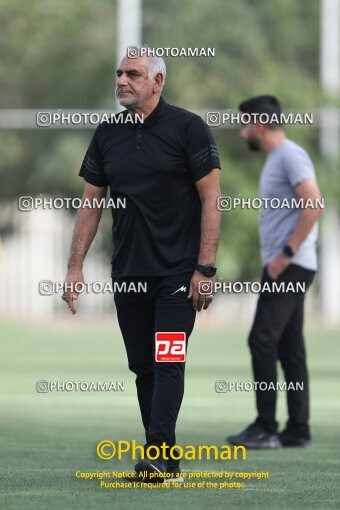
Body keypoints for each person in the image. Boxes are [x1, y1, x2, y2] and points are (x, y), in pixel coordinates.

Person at [63, 50, 221, 479]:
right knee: (143, 366)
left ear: (157, 81)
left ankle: (153, 452)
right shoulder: (107, 133)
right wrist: (75, 267)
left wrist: (205, 269)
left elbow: (212, 200)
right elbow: (91, 204)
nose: (121, 80)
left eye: (132, 74)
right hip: (129, 273)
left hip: (177, 273)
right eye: (118, 73)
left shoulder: (188, 128)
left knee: (168, 359)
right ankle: (166, 456)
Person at [227, 95, 323, 449]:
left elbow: (314, 204)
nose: (242, 133)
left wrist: (285, 253)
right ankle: (298, 430)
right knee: (289, 346)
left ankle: (266, 426)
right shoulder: (277, 159)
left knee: (261, 339)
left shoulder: (289, 155)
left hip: (290, 266)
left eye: (246, 125)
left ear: (260, 126)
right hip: (290, 265)